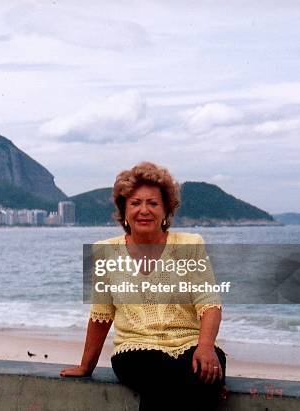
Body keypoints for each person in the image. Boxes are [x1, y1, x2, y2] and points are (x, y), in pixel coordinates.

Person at [60, 162, 226, 411]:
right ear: (124, 210)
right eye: (135, 203)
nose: (144, 210)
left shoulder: (190, 244)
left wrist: (205, 347)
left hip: (192, 343)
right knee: (167, 382)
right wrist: (86, 366)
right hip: (136, 350)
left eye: (153, 203)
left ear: (166, 209)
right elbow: (101, 315)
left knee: (205, 373)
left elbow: (209, 303)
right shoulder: (106, 252)